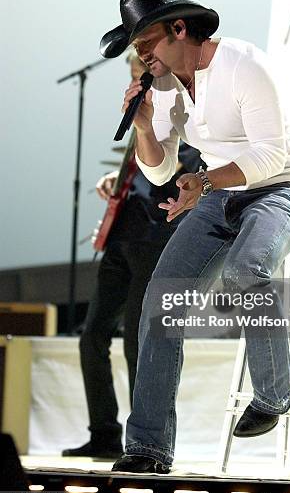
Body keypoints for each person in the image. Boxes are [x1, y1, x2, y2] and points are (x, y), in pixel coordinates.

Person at [99, 0, 290, 473]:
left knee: (246, 270)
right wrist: (146, 127)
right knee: (160, 302)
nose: (141, 52)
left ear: (179, 27)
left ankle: (276, 393)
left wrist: (206, 181)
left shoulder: (243, 64)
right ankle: (148, 448)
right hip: (219, 197)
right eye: (135, 45)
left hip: (278, 190)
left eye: (145, 40)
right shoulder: (167, 87)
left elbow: (269, 155)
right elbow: (158, 170)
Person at [62, 52, 202, 459]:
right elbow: (142, 161)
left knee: (138, 342)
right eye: (132, 69)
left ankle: (144, 441)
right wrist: (118, 177)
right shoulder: (141, 105)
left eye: (143, 67)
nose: (137, 75)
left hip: (156, 236)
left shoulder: (183, 107)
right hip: (122, 234)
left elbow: (177, 168)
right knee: (91, 336)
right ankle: (103, 431)